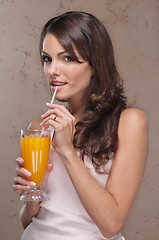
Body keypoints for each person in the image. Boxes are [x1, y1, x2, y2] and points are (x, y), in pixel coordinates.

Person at [13, 11, 148, 240]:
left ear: (95, 64)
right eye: (47, 58)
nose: (53, 70)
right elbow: (28, 221)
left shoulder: (129, 122)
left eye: (67, 58)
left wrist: (66, 151)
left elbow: (111, 225)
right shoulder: (39, 127)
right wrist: (34, 195)